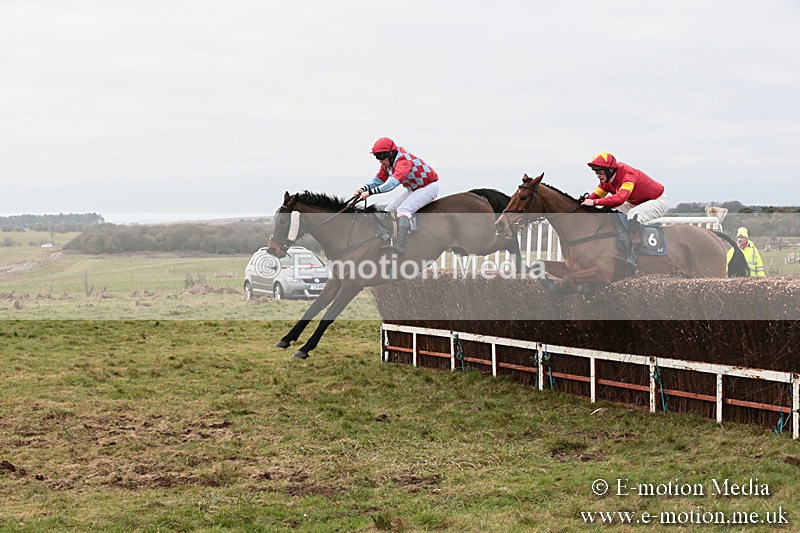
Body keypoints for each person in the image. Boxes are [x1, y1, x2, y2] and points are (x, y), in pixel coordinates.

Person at [354, 137, 439, 254]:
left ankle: (400, 244)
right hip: (414, 188)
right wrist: (363, 188)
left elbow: (392, 183)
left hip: (428, 187)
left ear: (390, 153)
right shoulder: (388, 163)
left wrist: (369, 193)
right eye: (376, 157)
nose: (379, 160)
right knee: (390, 209)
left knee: (403, 210)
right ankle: (390, 239)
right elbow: (378, 179)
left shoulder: (403, 161)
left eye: (381, 157)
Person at [580, 152, 669, 223]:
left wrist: (595, 202)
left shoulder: (628, 175)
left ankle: (636, 243)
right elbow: (594, 197)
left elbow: (620, 199)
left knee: (633, 215)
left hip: (658, 201)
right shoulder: (606, 180)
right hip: (637, 204)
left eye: (600, 172)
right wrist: (580, 201)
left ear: (610, 170)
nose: (598, 176)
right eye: (596, 172)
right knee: (609, 212)